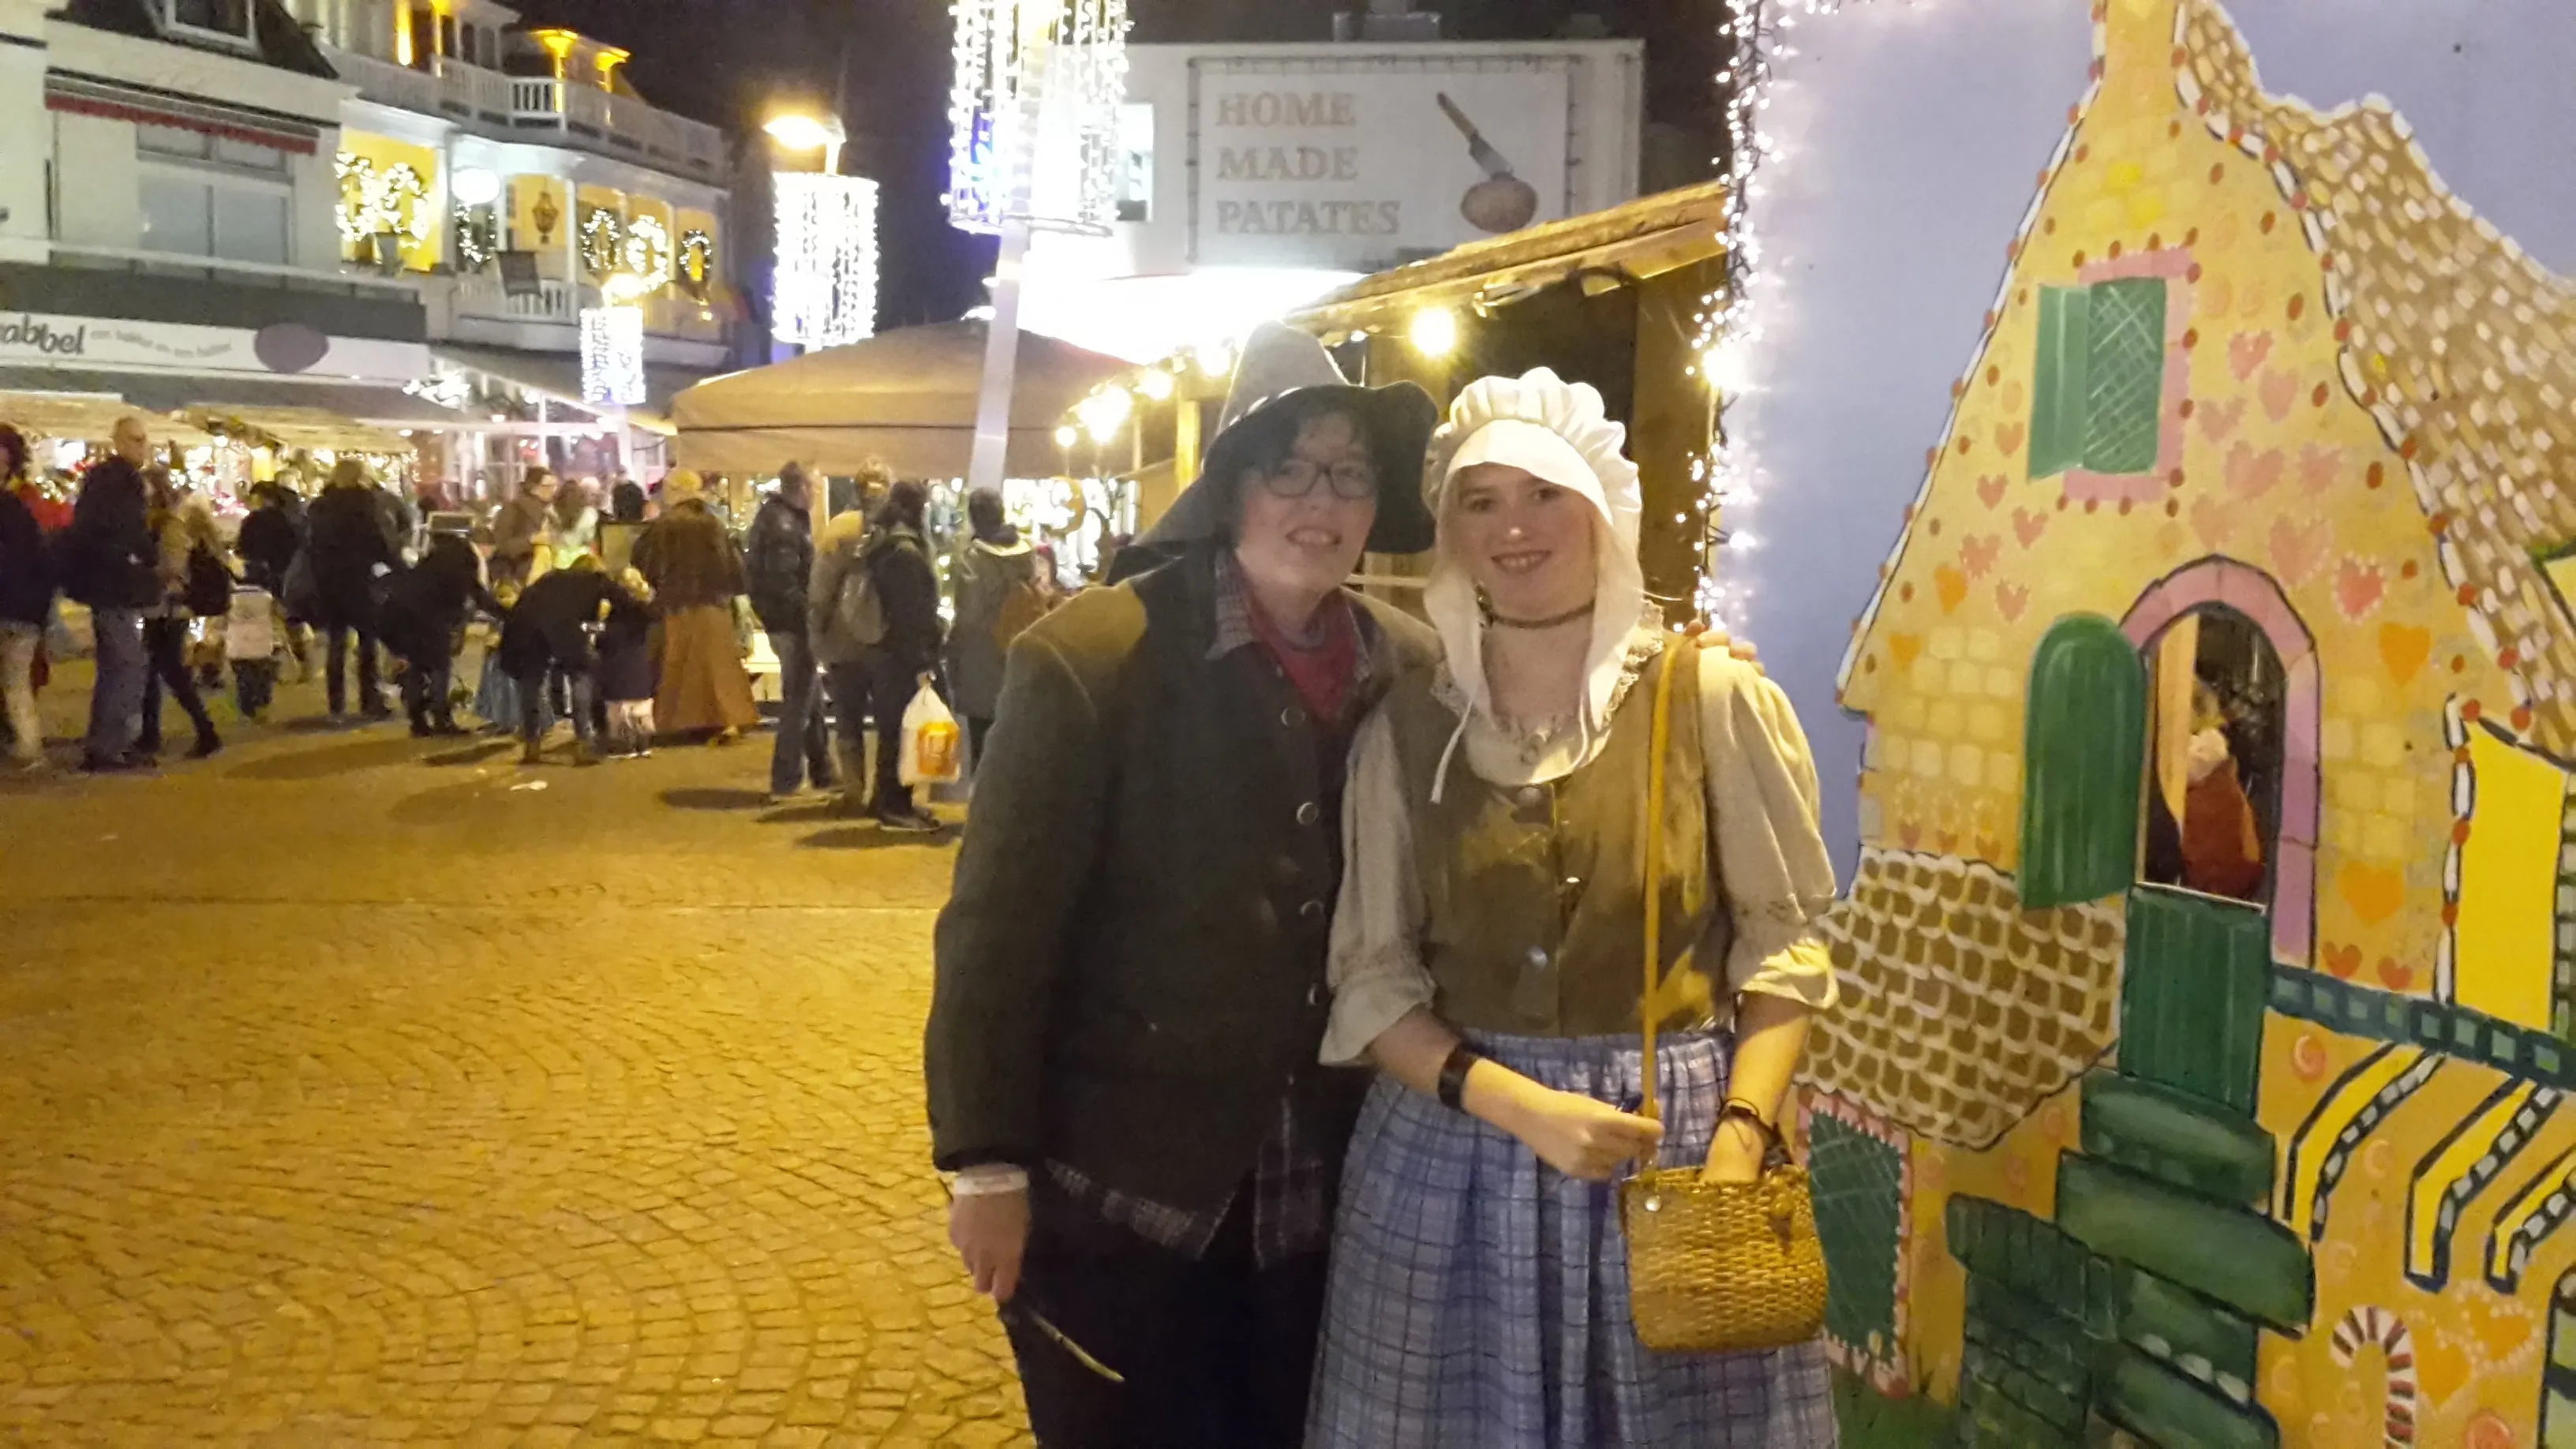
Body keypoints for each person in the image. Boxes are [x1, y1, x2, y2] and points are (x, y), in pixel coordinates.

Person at [925, 322, 1441, 1447]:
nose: (1321, 502)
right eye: (1290, 469)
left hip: (1331, 1191)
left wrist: (1679, 666)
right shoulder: (1090, 660)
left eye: (1350, 474)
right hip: (1127, 1195)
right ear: (1232, 485)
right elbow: (995, 936)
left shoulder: (1413, 665)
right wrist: (986, 1164)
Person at [1301, 370, 1840, 1447]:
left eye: (1544, 493)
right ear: (1450, 532)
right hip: (1455, 1155)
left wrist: (1738, 1143)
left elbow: (1784, 948)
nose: (1514, 528)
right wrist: (1521, 1107)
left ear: (1602, 508)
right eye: (1481, 501)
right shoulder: (1405, 730)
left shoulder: (1709, 696)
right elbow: (1372, 983)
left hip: (1674, 1152)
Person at [62, 417, 163, 773]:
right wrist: (147, 555)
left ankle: (106, 744)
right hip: (114, 584)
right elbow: (125, 529)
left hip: (104, 583)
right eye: (135, 440)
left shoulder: (103, 479)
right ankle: (111, 746)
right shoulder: (121, 480)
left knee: (116, 664)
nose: (142, 446)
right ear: (118, 442)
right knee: (127, 664)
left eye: (143, 440)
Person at [633, 469, 759, 744]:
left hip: (676, 604)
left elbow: (644, 563)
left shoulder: (663, 526)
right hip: (714, 602)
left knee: (679, 665)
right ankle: (727, 719)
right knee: (719, 666)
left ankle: (683, 722)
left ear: (674, 491)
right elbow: (733, 565)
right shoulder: (712, 523)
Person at [854, 480, 946, 832]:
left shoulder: (888, 540)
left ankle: (890, 800)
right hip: (901, 655)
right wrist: (922, 660)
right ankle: (894, 805)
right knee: (901, 731)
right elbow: (910, 614)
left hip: (887, 651)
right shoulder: (905, 551)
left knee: (894, 729)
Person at [746, 462, 835, 802]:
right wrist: (809, 616)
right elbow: (785, 583)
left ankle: (823, 772)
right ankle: (786, 780)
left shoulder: (780, 518)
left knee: (810, 696)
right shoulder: (784, 526)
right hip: (791, 622)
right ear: (802, 488)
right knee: (799, 699)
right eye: (815, 487)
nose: (817, 494)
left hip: (782, 620)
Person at [497, 554, 639, 767]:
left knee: (531, 683)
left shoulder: (550, 578)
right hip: (563, 629)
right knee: (580, 674)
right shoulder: (596, 579)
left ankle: (532, 743)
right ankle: (584, 743)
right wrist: (644, 610)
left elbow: (524, 603)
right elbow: (625, 601)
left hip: (528, 628)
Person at [946, 485, 1047, 765]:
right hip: (1020, 652)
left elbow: (968, 615)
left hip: (981, 659)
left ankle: (983, 790)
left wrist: (953, 651)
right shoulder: (1027, 552)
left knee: (982, 742)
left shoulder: (973, 559)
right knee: (1016, 741)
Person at [135, 469, 225, 759]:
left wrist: (142, 574)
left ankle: (206, 732)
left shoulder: (169, 525)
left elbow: (173, 567)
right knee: (154, 671)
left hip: (170, 607)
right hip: (160, 606)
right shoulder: (157, 522)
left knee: (170, 671)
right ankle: (151, 733)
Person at [380, 525, 498, 736]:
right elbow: (474, 591)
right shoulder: (466, 558)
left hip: (406, 611)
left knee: (418, 665)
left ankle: (417, 721)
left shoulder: (445, 552)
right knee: (440, 667)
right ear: (485, 547)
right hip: (430, 616)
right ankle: (441, 719)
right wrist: (503, 613)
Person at [806, 479, 878, 811]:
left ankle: (853, 789)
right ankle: (887, 791)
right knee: (890, 720)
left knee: (848, 719)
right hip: (885, 641)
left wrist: (817, 634)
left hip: (844, 638)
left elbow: (821, 590)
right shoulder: (898, 527)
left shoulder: (840, 530)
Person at [307, 459, 398, 722]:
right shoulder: (365, 503)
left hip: (329, 582)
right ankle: (369, 700)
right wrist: (396, 566)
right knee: (367, 642)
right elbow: (378, 541)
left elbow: (311, 545)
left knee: (336, 642)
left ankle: (336, 706)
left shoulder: (320, 506)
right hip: (360, 580)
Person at [0, 426, 53, 769]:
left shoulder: (12, 508)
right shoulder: (23, 508)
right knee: (17, 685)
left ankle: (27, 747)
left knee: (16, 684)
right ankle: (29, 748)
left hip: (11, 608)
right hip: (25, 611)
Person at [597, 567, 657, 758]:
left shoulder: (617, 611)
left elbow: (608, 638)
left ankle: (625, 746)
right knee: (640, 707)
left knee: (620, 708)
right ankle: (643, 744)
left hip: (618, 664)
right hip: (639, 665)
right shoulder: (644, 609)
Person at [490, 467, 559, 590]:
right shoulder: (514, 509)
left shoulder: (552, 512)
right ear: (533, 488)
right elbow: (500, 546)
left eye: (554, 486)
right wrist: (531, 540)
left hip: (547, 574)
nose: (552, 490)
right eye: (547, 486)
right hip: (518, 577)